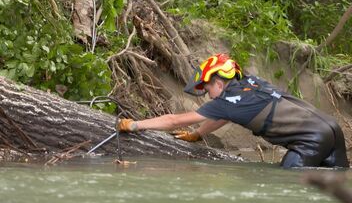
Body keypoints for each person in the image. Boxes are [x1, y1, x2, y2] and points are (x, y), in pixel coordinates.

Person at [117, 53, 350, 168]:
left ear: (219, 82)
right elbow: (224, 116)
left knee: (287, 185)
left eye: (207, 86)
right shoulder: (250, 82)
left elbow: (174, 120)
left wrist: (136, 125)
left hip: (311, 140)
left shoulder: (226, 101)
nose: (207, 92)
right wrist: (198, 134)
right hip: (331, 129)